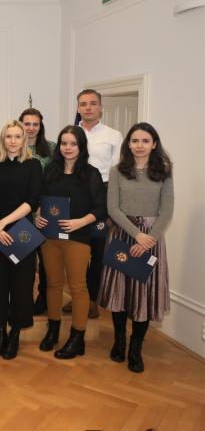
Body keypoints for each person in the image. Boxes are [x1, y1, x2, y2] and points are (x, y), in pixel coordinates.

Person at [98, 123, 173, 373]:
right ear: (128, 144)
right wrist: (137, 235)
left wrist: (149, 238)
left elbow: (167, 210)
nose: (139, 145)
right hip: (123, 235)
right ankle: (119, 341)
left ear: (154, 144)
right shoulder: (117, 171)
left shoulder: (164, 172)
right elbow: (113, 208)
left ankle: (135, 348)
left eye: (145, 141)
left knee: (144, 296)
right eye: (135, 141)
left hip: (151, 241)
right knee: (119, 294)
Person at [35, 125, 105, 360]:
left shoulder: (91, 174)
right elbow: (40, 200)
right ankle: (53, 330)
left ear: (81, 146)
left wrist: (80, 222)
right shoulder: (50, 171)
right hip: (50, 238)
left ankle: (77, 338)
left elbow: (100, 209)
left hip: (78, 238)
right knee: (53, 284)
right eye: (64, 143)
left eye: (73, 143)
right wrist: (38, 215)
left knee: (77, 287)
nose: (68, 148)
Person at [0, 121, 41, 360]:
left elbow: (32, 201)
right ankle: (1, 334)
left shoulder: (32, 165)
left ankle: (15, 334)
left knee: (20, 286)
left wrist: (3, 223)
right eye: (9, 136)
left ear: (24, 139)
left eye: (17, 136)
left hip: (22, 232)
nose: (13, 141)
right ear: (3, 139)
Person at [76, 89, 123, 319]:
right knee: (76, 251)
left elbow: (117, 174)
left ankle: (93, 300)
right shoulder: (72, 133)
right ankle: (79, 297)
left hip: (102, 196)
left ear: (101, 107)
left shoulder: (113, 135)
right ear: (78, 108)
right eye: (83, 104)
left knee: (97, 252)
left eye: (93, 103)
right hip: (76, 195)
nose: (88, 108)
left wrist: (113, 208)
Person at [19, 107, 56, 315]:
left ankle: (43, 298)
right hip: (21, 213)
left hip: (44, 214)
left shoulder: (51, 148)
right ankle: (23, 299)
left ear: (41, 126)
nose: (31, 128)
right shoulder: (14, 146)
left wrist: (44, 209)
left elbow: (56, 181)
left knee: (46, 262)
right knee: (24, 261)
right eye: (27, 124)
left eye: (35, 124)